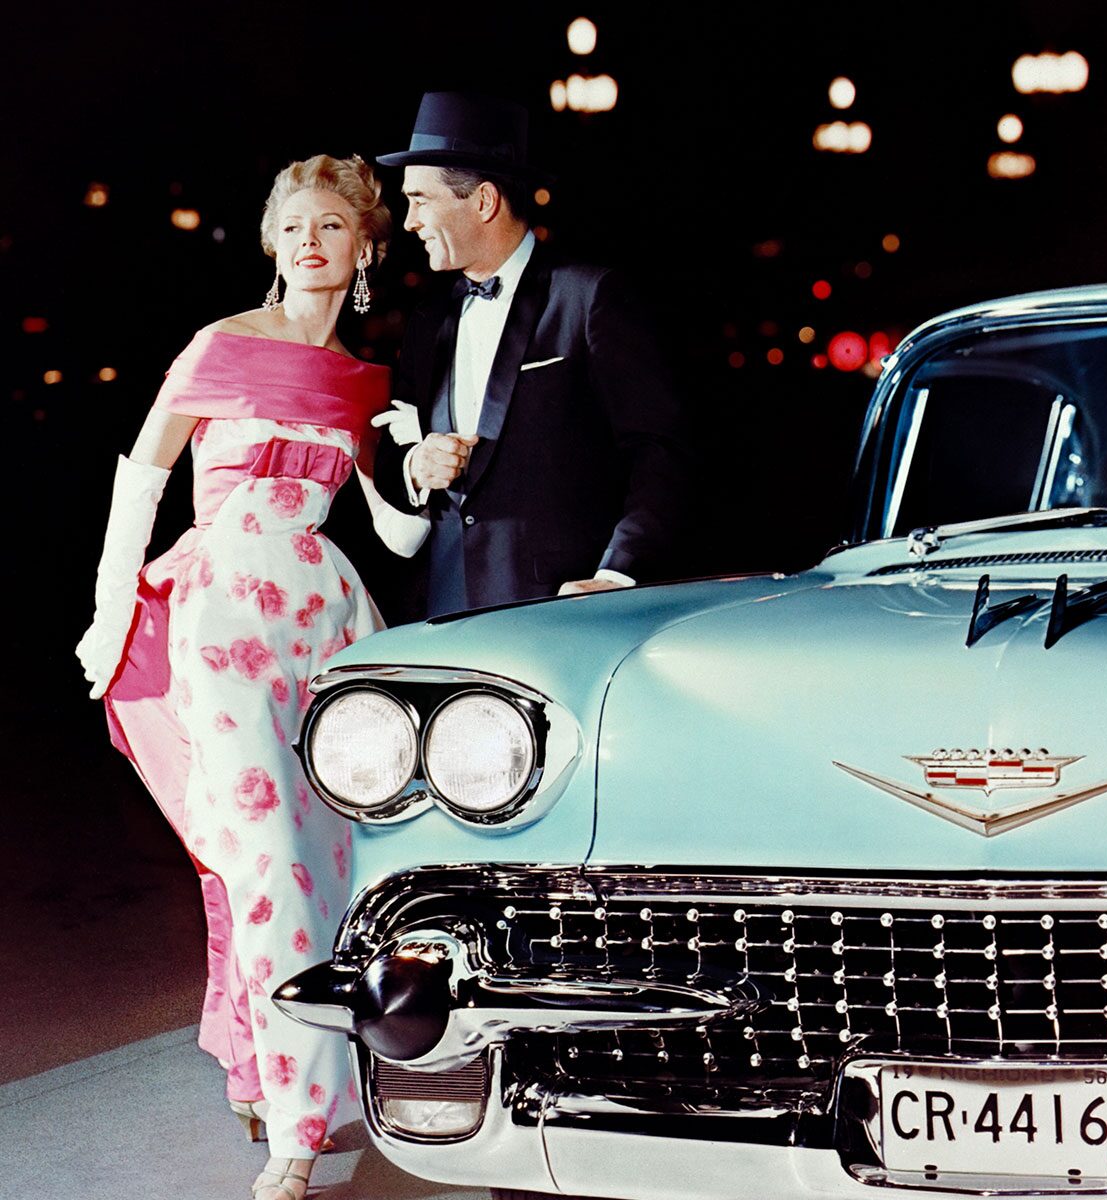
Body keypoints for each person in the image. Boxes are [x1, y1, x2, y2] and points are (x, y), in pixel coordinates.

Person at [75, 154, 427, 1200]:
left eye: (331, 226)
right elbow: (140, 479)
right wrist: (109, 614)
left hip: (327, 617)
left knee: (335, 856)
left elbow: (399, 536)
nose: (309, 242)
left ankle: (263, 1055)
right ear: (272, 244)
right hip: (224, 611)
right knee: (267, 853)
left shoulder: (363, 380)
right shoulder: (220, 347)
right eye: (292, 227)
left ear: (366, 249)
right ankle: (298, 1128)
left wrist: (411, 459)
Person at [371, 91, 694, 617]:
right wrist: (414, 464)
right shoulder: (428, 322)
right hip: (446, 611)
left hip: (563, 615)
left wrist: (617, 574)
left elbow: (659, 451)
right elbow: (390, 451)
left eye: (420, 200)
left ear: (483, 201)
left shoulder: (589, 297)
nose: (409, 221)